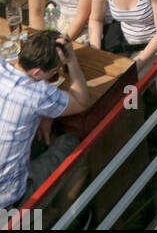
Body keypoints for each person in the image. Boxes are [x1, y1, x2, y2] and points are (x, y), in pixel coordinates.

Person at [0, 30, 91, 212]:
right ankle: (61, 217)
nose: (56, 74)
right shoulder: (37, 95)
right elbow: (82, 102)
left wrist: (45, 113)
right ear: (36, 73)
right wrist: (71, 60)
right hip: (10, 198)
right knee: (72, 145)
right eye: (55, 71)